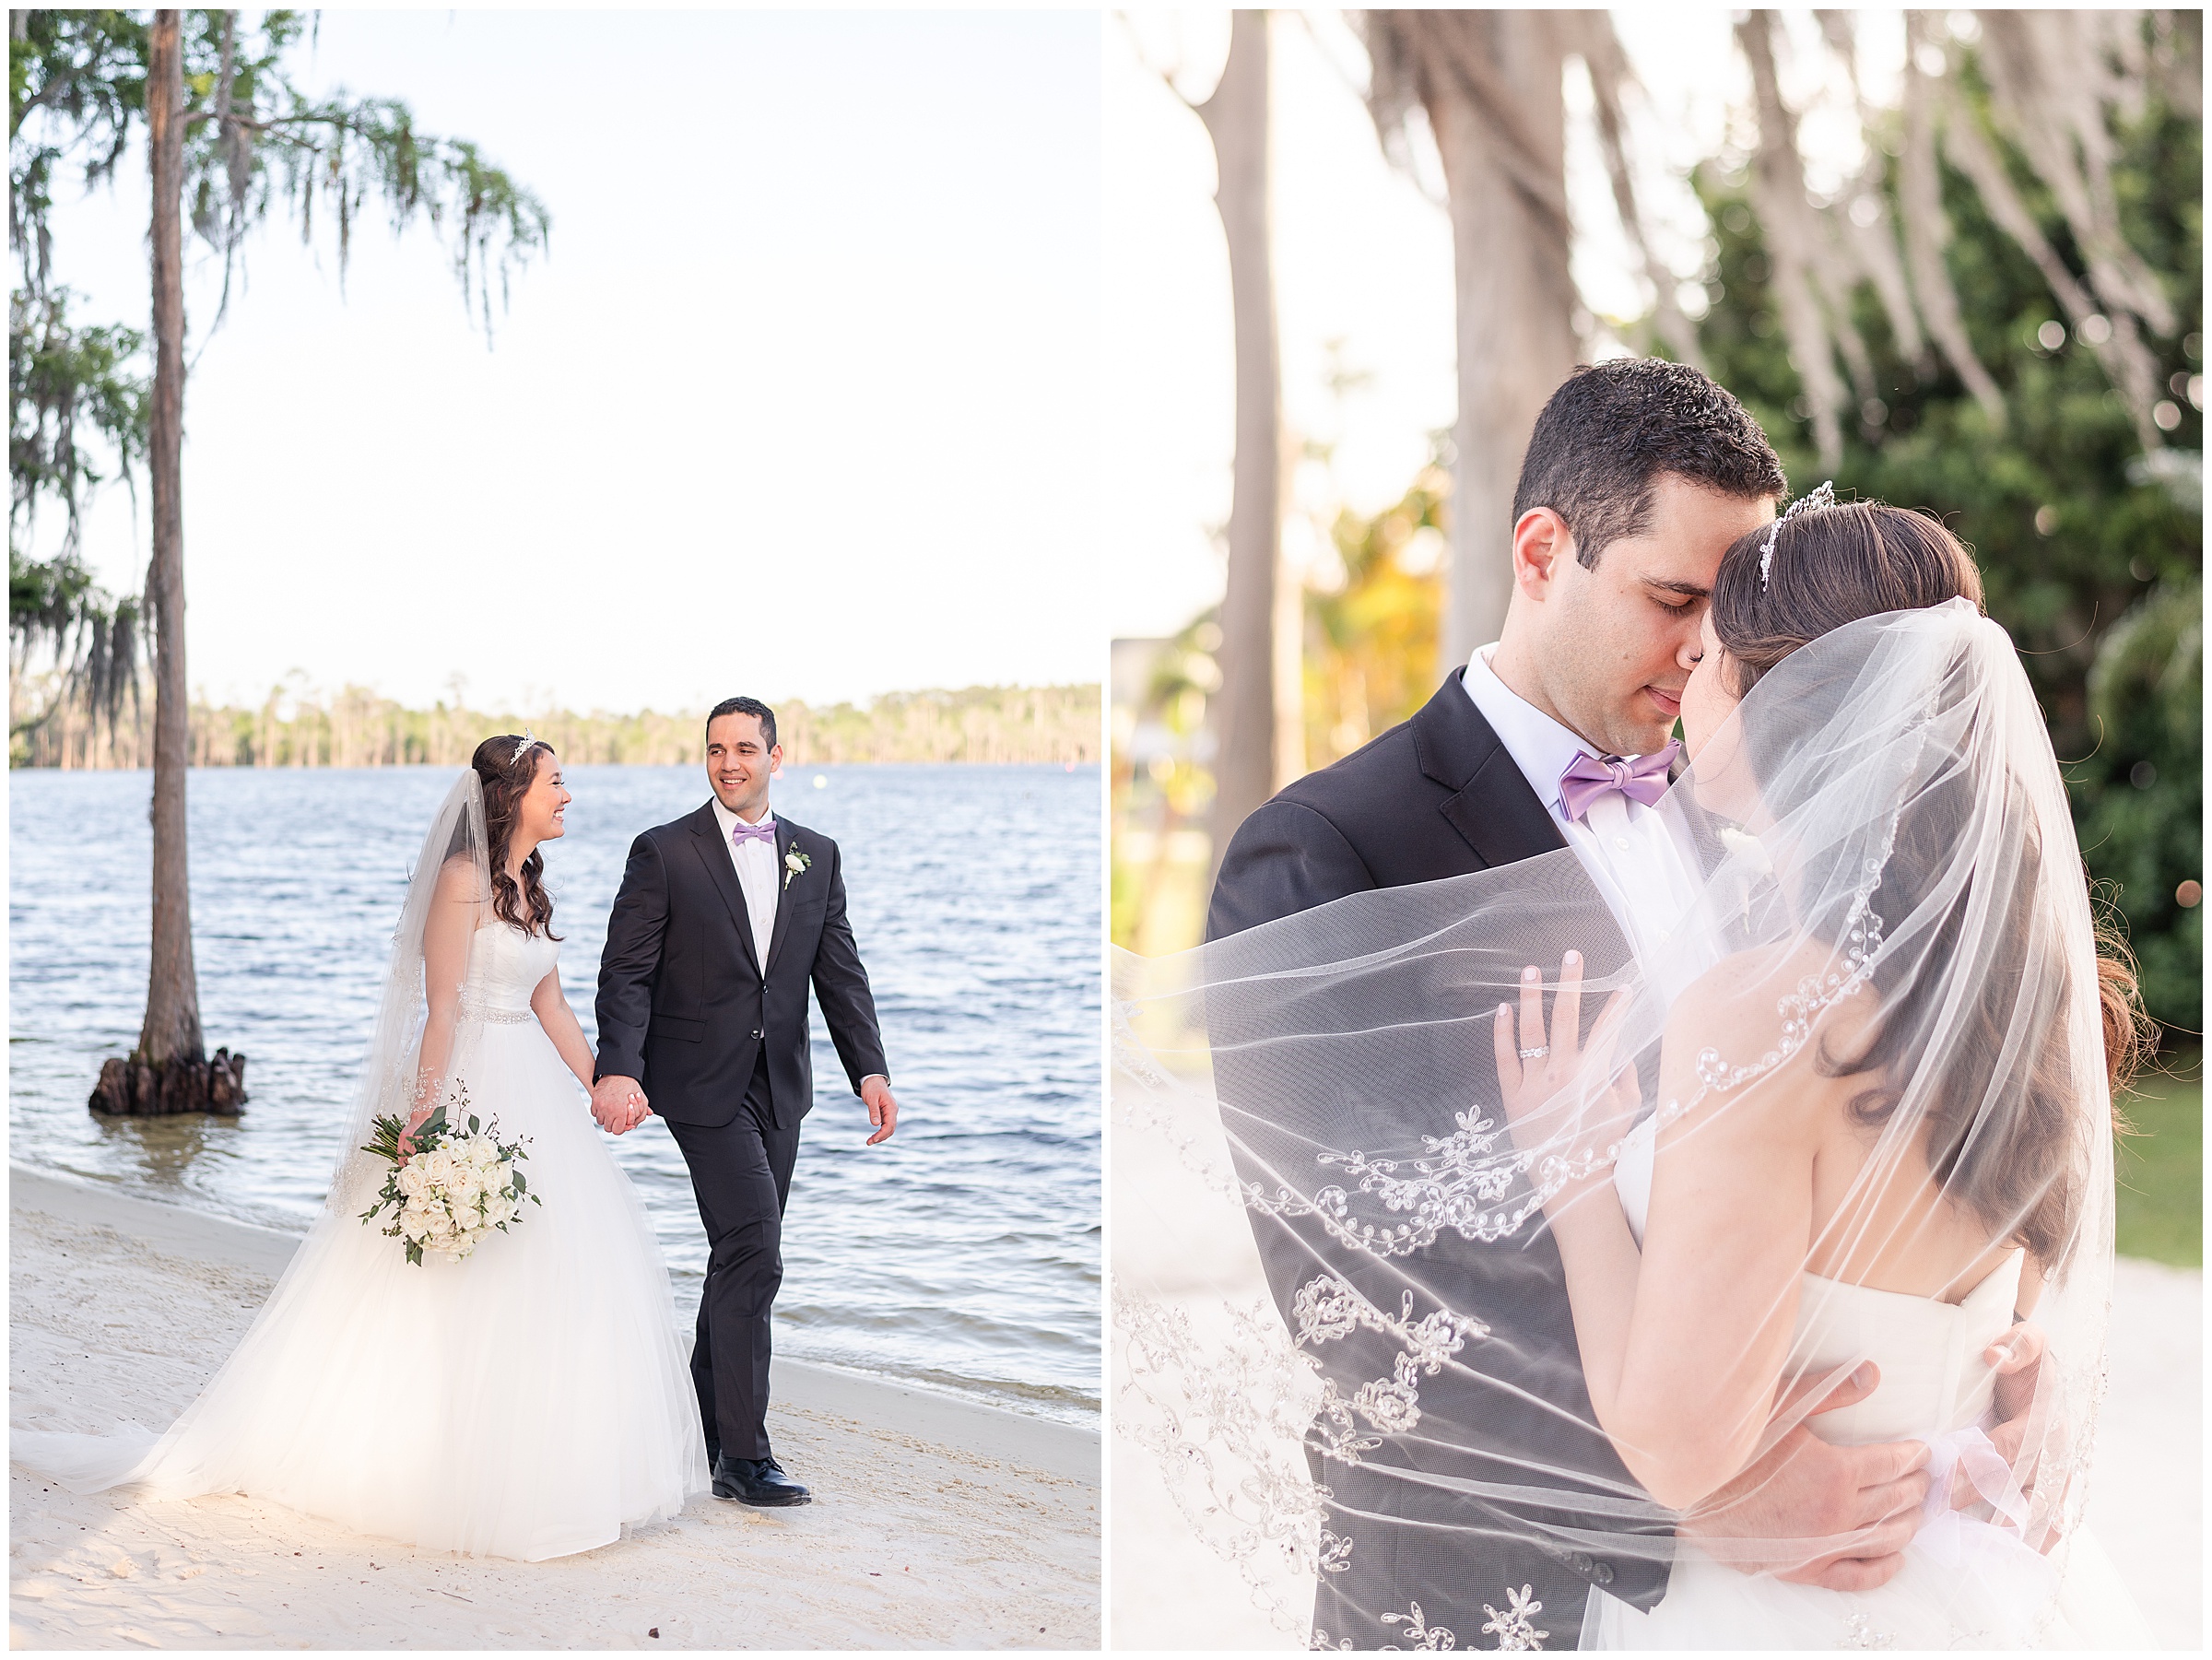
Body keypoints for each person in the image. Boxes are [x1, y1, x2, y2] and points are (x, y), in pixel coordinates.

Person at [13, 736, 707, 1560]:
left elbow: (551, 1000)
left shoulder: (527, 884)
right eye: (556, 782)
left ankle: (562, 1461)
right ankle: (454, 1468)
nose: (568, 794)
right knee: (465, 1270)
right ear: (515, 792)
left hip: (539, 1094)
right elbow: (442, 1011)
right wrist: (421, 1124)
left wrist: (604, 1083)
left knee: (562, 1263)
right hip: (476, 1085)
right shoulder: (460, 881)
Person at [593, 695, 896, 1508]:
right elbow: (624, 972)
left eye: (746, 748)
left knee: (738, 1257)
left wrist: (868, 1068)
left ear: (776, 755)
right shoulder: (664, 851)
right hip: (697, 1085)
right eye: (717, 749)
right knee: (757, 1247)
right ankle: (744, 1458)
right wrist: (617, 1069)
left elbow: (839, 970)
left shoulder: (817, 854)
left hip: (781, 1090)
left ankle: (698, 1428)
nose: (730, 762)